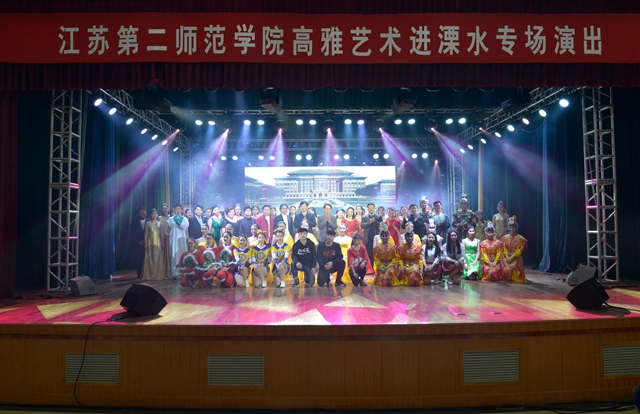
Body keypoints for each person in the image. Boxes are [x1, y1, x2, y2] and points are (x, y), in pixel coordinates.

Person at [140, 208, 166, 282]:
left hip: (158, 243)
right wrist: (145, 243)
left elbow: (161, 234)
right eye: (152, 214)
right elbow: (146, 234)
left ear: (157, 215)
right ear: (150, 215)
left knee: (157, 258)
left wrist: (162, 242)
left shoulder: (160, 224)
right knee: (150, 259)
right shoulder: (147, 223)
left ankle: (157, 274)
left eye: (155, 214)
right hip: (150, 243)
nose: (154, 215)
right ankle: (149, 274)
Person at [501, 218, 528, 283]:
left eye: (513, 227)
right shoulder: (504, 238)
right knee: (506, 269)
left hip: (516, 258)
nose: (511, 229)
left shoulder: (521, 239)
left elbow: (519, 250)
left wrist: (511, 258)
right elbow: (504, 249)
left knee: (510, 268)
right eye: (510, 227)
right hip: (507, 257)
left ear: (516, 228)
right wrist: (507, 257)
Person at [168, 204, 189, 281]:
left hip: (181, 239)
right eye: (176, 209)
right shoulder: (170, 219)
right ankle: (174, 274)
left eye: (179, 209)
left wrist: (178, 219)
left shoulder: (184, 219)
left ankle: (183, 273)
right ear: (174, 210)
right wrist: (176, 218)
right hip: (174, 239)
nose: (177, 210)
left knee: (182, 255)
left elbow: (184, 227)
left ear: (181, 210)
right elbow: (170, 226)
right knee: (174, 255)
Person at [361, 203, 382, 268]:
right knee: (369, 252)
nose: (370, 209)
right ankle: (370, 268)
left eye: (372, 207)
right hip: (368, 237)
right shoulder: (364, 217)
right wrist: (369, 223)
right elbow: (362, 225)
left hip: (376, 237)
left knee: (377, 252)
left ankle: (377, 267)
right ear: (367, 209)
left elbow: (381, 225)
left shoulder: (379, 216)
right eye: (369, 208)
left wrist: (374, 222)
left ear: (374, 208)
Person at [130, 206, 148, 278]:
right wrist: (139, 241)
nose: (142, 213)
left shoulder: (149, 221)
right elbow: (132, 233)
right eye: (141, 211)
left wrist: (146, 241)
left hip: (148, 243)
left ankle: (148, 273)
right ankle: (140, 274)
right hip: (139, 244)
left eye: (144, 211)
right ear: (138, 213)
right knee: (139, 259)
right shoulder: (134, 222)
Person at [158, 203, 172, 280]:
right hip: (161, 238)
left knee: (169, 254)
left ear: (168, 209)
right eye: (163, 208)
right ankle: (162, 272)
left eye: (166, 208)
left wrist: (168, 234)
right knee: (162, 255)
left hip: (169, 237)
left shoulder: (171, 217)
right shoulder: (159, 218)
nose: (164, 210)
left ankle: (169, 272)